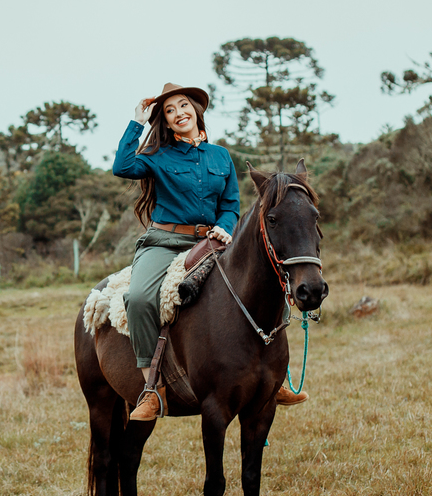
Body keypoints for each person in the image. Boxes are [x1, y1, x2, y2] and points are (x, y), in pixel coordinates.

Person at [112, 82, 309, 421]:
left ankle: (274, 379)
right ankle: (151, 389)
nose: (178, 113)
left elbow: (231, 203)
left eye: (183, 105)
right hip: (164, 241)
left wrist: (225, 226)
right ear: (165, 121)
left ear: (196, 110)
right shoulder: (157, 155)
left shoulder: (220, 156)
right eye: (169, 110)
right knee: (141, 299)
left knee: (265, 284)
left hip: (213, 241)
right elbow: (122, 166)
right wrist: (137, 122)